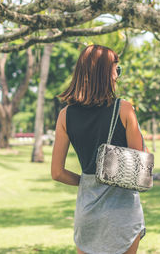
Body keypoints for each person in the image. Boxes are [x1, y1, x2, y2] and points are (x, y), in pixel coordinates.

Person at [51, 44, 147, 254]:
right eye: (116, 70)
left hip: (88, 215)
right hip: (123, 216)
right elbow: (141, 169)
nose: (117, 77)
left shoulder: (65, 116)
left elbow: (57, 173)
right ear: (105, 72)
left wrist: (88, 181)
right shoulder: (124, 109)